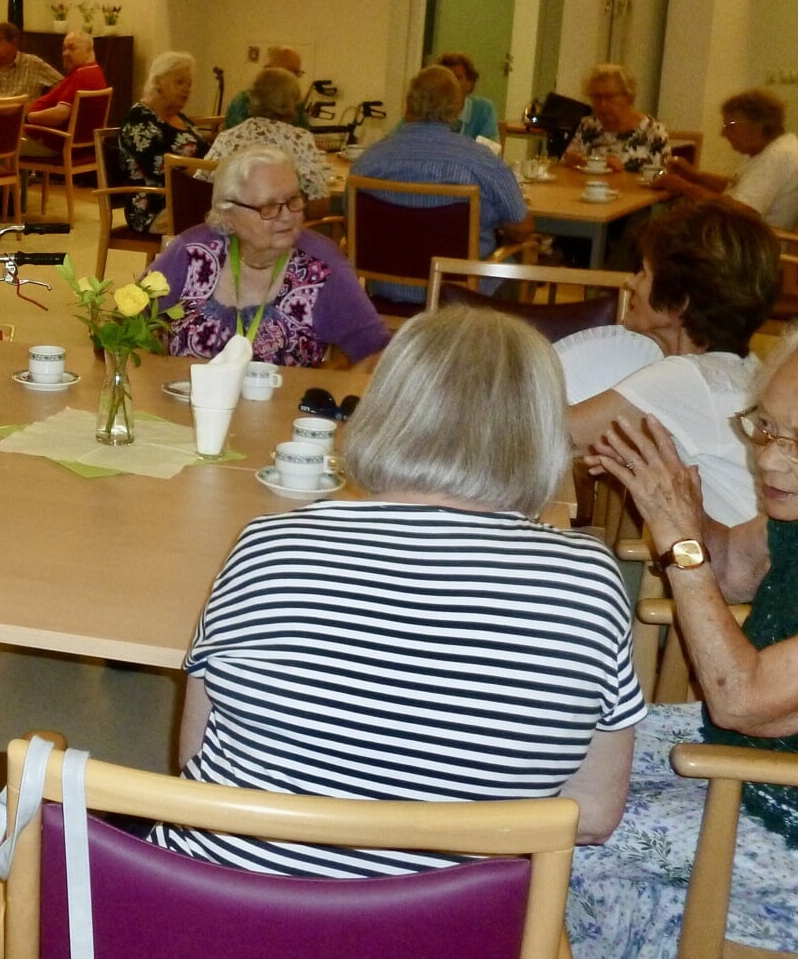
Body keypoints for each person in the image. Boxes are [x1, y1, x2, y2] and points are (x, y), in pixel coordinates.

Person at [157, 304, 641, 876]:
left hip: (218, 914)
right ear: (540, 432)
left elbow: (195, 760)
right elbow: (591, 814)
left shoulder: (271, 542)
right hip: (447, 927)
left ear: (384, 411)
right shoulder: (590, 581)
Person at [569, 314, 798, 958]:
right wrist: (675, 497)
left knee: (558, 832)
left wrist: (681, 542)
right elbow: (729, 569)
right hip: (749, 770)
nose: (769, 458)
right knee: (543, 749)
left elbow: (742, 700)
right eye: (766, 427)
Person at [563, 201, 779, 527]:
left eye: (645, 274)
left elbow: (542, 436)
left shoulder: (686, 379)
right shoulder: (742, 368)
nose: (630, 283)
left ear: (680, 301)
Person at [148, 146, 388, 366]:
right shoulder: (192, 252)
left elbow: (376, 354)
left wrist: (331, 393)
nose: (287, 216)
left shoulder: (322, 268)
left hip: (282, 412)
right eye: (269, 207)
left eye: (293, 200)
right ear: (228, 216)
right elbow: (129, 327)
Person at [350, 65, 531, 302]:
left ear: (408, 105)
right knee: (518, 262)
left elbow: (350, 218)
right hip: (463, 295)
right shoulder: (482, 162)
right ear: (456, 108)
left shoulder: (368, 162)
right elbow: (522, 228)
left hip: (385, 290)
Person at [657, 88, 798, 231]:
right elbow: (740, 187)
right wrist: (696, 176)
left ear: (757, 129)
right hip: (753, 237)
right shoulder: (777, 149)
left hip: (753, 246)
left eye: (731, 126)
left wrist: (685, 187)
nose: (723, 133)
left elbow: (737, 210)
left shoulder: (776, 158)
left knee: (664, 227)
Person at [197, 66, 333, 202]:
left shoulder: (227, 137)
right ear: (292, 102)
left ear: (251, 96)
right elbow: (319, 204)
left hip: (232, 218)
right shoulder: (301, 140)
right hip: (276, 219)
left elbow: (200, 182)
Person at [115, 51, 204, 233]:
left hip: (190, 197)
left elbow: (209, 154)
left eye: (189, 84)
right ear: (157, 83)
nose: (187, 89)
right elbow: (162, 170)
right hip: (154, 206)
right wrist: (208, 172)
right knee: (226, 220)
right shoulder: (139, 120)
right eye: (179, 82)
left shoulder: (181, 119)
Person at [563, 63, 669, 173]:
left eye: (609, 97)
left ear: (628, 96)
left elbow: (663, 179)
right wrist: (574, 161)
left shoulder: (653, 131)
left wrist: (621, 173)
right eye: (597, 97)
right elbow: (568, 164)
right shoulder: (588, 126)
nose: (602, 104)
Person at [24, 30, 108, 131]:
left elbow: (61, 114)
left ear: (88, 51)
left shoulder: (82, 75)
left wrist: (27, 118)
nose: (65, 54)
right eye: (64, 49)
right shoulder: (94, 70)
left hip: (42, 137)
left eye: (72, 48)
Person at [223, 45, 310, 129]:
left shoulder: (296, 103)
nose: (294, 78)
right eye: (288, 72)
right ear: (268, 70)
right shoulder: (243, 101)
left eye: (297, 73)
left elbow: (304, 135)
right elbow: (236, 138)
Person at [0, 21, 61, 101]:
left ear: (13, 43)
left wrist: (45, 103)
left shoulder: (33, 64)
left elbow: (62, 84)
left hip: (20, 116)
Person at [437, 50, 499, 142]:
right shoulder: (428, 108)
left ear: (470, 82)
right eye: (446, 78)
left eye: (457, 77)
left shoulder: (484, 110)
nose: (451, 83)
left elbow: (490, 151)